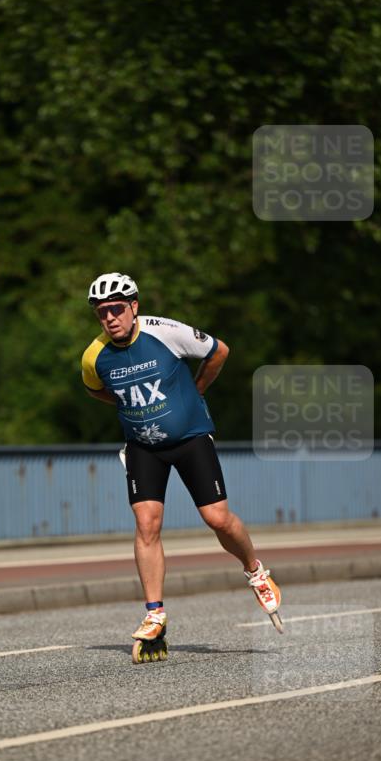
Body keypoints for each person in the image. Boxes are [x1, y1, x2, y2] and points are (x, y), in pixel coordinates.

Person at [81, 272, 282, 656]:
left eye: (116, 309)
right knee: (146, 524)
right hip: (144, 446)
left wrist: (197, 389)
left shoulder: (164, 331)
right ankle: (154, 612)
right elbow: (96, 390)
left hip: (190, 438)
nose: (109, 317)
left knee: (217, 518)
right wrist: (131, 406)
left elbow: (219, 351)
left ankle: (256, 571)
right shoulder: (94, 356)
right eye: (101, 312)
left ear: (134, 306)